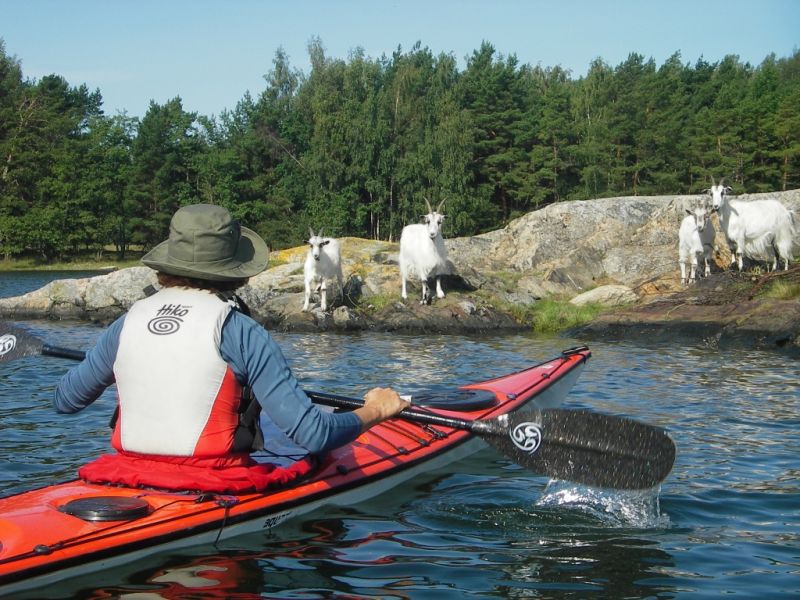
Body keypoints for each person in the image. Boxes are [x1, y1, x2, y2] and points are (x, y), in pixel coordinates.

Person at [55, 204, 409, 493]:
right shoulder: (240, 330)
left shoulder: (125, 323)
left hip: (123, 474)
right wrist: (375, 410)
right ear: (237, 271)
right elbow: (314, 435)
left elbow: (65, 401)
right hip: (215, 481)